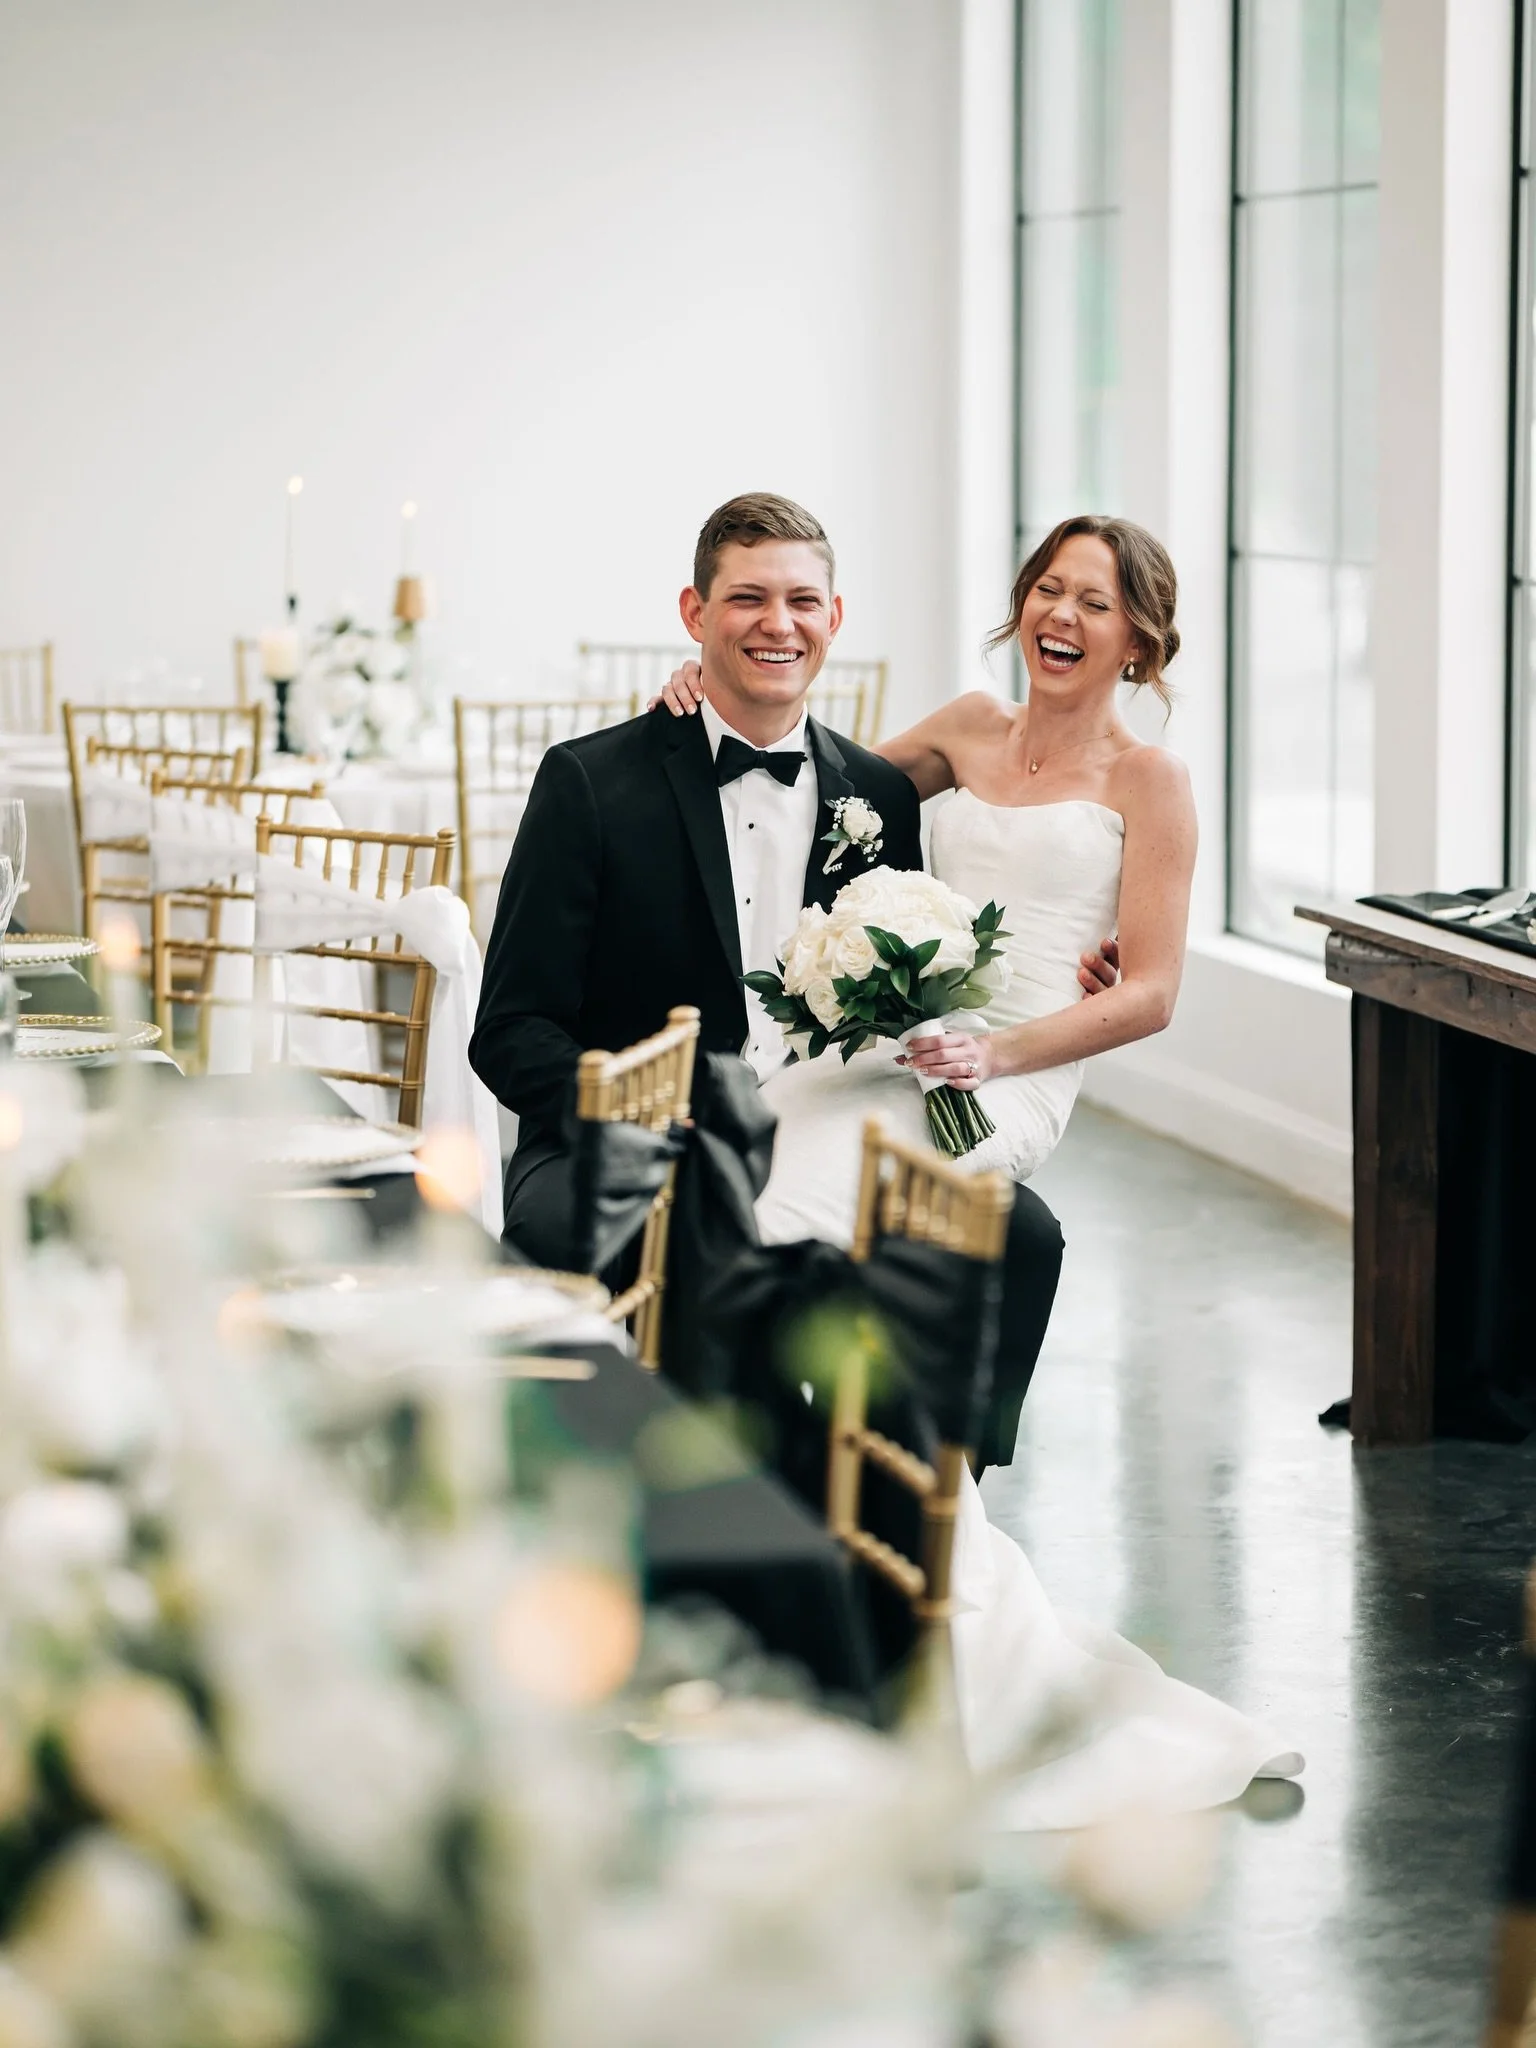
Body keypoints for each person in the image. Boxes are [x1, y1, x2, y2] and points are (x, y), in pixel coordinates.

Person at [654, 510, 1304, 1816]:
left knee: (805, 1188)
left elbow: (1154, 992)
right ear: (1024, 608)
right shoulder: (958, 727)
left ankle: (869, 1531)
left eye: (1097, 603)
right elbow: (800, 791)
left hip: (1009, 1070)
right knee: (742, 1154)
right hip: (895, 1035)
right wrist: (702, 709)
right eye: (1049, 590)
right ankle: (807, 1511)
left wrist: (995, 1059)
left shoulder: (1150, 781)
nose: (1063, 616)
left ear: (1140, 639)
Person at [470, 491, 1080, 1460]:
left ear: (834, 618)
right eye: (747, 598)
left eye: (803, 600)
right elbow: (510, 1030)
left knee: (1019, 1234)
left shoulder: (876, 795)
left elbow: (956, 920)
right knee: (590, 1236)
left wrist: (1080, 961)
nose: (778, 623)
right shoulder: (590, 781)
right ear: (695, 613)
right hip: (629, 1134)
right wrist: (638, 1111)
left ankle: (925, 1509)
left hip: (826, 1126)